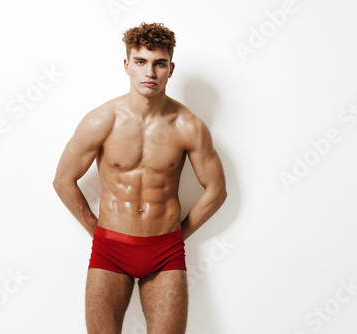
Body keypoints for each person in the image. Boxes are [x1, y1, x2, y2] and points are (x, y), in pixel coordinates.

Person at [53, 22, 227, 334]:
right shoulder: (101, 120)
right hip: (110, 250)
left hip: (165, 253)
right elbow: (63, 180)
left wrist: (176, 237)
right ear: (127, 65)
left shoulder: (189, 126)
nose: (150, 72)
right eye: (141, 62)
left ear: (171, 69)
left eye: (159, 63)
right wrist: (97, 231)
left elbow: (216, 191)